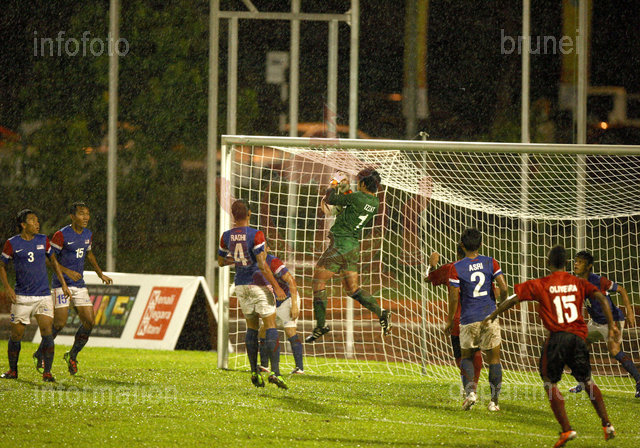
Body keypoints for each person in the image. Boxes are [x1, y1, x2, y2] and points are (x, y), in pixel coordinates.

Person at [483, 245, 618, 447]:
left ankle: (566, 429)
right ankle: (607, 425)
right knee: (587, 381)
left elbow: (513, 299)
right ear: (566, 263)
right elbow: (600, 296)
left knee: (549, 381)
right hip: (578, 339)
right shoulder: (578, 282)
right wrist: (612, 324)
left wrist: (494, 314)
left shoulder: (542, 284)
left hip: (558, 339)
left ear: (547, 263)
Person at [306, 168, 391, 342]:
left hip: (340, 245)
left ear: (363, 184)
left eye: (359, 181)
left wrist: (334, 183)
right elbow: (352, 202)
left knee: (318, 282)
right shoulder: (374, 202)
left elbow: (331, 199)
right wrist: (345, 189)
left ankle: (321, 326)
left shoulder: (357, 197)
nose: (357, 183)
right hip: (352, 247)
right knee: (352, 289)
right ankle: (381, 313)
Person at [33, 202, 112, 375]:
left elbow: (89, 254)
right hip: (61, 284)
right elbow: (48, 259)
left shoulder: (88, 234)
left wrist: (100, 274)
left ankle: (72, 355)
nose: (86, 217)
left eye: (87, 214)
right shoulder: (61, 235)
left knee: (89, 322)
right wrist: (67, 271)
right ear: (72, 216)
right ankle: (40, 353)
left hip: (79, 285)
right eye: (81, 214)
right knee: (60, 323)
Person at [218, 199, 288, 389]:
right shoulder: (256, 234)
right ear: (249, 213)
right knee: (270, 325)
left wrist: (240, 260)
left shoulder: (226, 236)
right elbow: (262, 265)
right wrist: (276, 287)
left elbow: (221, 262)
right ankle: (275, 372)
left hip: (241, 286)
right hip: (258, 284)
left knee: (251, 328)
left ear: (233, 215)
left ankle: (254, 372)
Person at [0, 209, 71, 382]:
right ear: (23, 225)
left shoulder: (43, 240)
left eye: (37, 220)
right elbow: (1, 265)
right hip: (22, 297)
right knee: (16, 335)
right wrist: (7, 288)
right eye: (33, 220)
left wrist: (63, 283)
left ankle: (47, 373)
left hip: (43, 295)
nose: (37, 223)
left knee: (47, 332)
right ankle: (13, 371)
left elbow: (53, 261)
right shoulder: (12, 243)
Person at [445, 227, 508, 411]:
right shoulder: (490, 262)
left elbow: (454, 297)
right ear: (481, 244)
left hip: (468, 318)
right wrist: (501, 305)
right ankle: (494, 402)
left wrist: (450, 320)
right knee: (494, 359)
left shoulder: (456, 267)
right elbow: (504, 287)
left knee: (467, 357)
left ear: (462, 245)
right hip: (489, 316)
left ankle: (470, 393)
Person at [568, 250, 640, 398]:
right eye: (576, 261)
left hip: (612, 321)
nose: (576, 264)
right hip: (595, 322)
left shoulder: (598, 280)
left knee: (614, 351)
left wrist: (630, 312)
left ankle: (639, 380)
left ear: (588, 266)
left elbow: (621, 290)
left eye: (580, 262)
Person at [426, 245, 483, 395]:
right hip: (479, 317)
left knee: (461, 356)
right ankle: (475, 390)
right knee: (476, 353)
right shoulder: (484, 266)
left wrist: (432, 266)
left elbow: (429, 278)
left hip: (459, 320)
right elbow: (495, 291)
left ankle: (469, 390)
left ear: (457, 253)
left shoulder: (451, 268)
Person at [257, 246, 304, 374]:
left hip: (287, 299)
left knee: (290, 331)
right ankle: (264, 366)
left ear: (268, 249)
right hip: (273, 302)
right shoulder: (253, 264)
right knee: (263, 330)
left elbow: (291, 281)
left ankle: (299, 368)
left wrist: (294, 305)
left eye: (262, 248)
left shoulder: (273, 262)